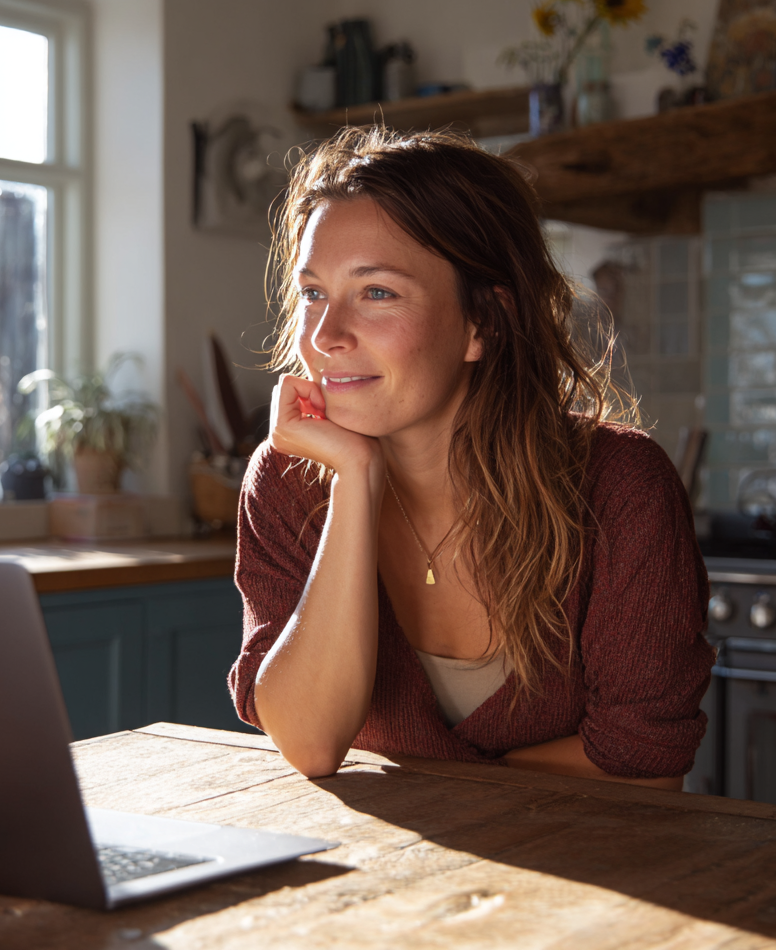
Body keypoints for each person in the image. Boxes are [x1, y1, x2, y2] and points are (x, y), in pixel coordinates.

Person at [227, 127, 713, 789]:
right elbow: (309, 743)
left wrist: (440, 779)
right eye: (313, 293)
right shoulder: (288, 480)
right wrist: (357, 480)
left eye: (376, 293)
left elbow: (640, 772)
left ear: (483, 322)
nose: (324, 336)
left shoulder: (620, 486)